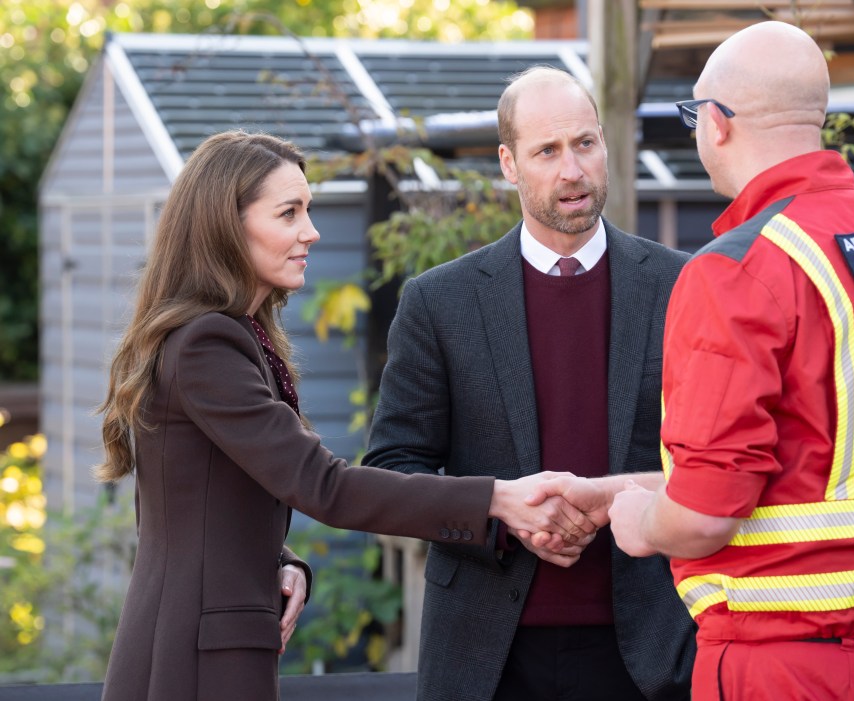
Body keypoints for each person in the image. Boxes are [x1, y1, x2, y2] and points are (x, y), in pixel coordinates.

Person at [96, 130, 600, 701]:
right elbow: (323, 486)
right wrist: (495, 500)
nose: (311, 232)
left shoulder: (225, 336)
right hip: (194, 659)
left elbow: (193, 503)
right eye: (289, 213)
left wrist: (282, 562)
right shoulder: (208, 343)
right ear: (225, 226)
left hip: (196, 643)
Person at [605, 21, 854, 701]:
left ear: (716, 124)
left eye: (694, 115)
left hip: (782, 663)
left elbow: (707, 511)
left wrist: (639, 524)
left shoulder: (740, 267)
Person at [363, 67, 696, 701]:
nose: (572, 170)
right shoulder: (440, 302)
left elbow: (713, 458)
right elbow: (393, 470)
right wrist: (500, 511)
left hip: (654, 652)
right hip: (488, 658)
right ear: (509, 163)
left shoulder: (683, 287)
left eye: (585, 144)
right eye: (548, 151)